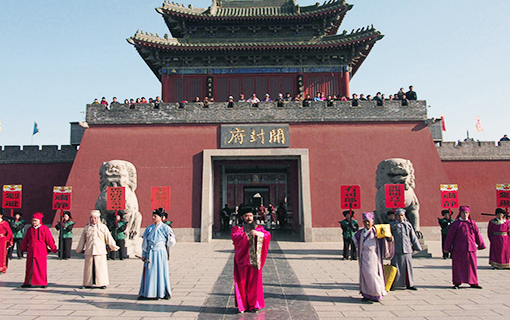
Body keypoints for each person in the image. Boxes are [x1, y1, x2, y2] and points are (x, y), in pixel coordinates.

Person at [231, 205, 271, 313]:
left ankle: (254, 305)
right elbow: (236, 237)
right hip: (242, 261)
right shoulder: (237, 229)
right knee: (242, 282)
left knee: (255, 283)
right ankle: (242, 305)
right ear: (242, 217)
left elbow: (267, 235)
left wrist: (258, 234)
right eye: (246, 216)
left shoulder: (258, 228)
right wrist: (249, 235)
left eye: (251, 216)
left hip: (254, 261)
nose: (249, 218)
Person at [353, 212, 393, 303]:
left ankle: (377, 293)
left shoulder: (377, 232)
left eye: (369, 221)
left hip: (374, 256)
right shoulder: (360, 233)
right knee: (365, 275)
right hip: (364, 256)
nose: (367, 223)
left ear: (372, 222)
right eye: (365, 221)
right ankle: (366, 294)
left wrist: (389, 238)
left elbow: (386, 239)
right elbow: (354, 241)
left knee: (373, 274)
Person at [138, 208, 176, 300]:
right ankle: (148, 293)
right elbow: (145, 243)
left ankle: (161, 292)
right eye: (153, 216)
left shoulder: (165, 228)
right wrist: (144, 253)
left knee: (160, 272)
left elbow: (171, 242)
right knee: (149, 273)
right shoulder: (149, 228)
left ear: (161, 217)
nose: (153, 217)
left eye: (155, 216)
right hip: (150, 253)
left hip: (160, 253)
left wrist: (170, 238)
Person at [443, 206, 485, 289]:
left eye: (466, 213)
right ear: (460, 213)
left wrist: (481, 244)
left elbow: (477, 234)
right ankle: (457, 282)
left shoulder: (472, 223)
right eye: (463, 213)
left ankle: (473, 282)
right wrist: (446, 248)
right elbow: (450, 237)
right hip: (459, 249)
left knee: (471, 266)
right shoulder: (456, 224)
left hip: (471, 249)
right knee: (458, 266)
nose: (465, 215)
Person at [76, 210, 119, 289]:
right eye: (92, 218)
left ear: (98, 218)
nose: (94, 219)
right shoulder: (87, 228)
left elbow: (108, 238)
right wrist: (79, 249)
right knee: (89, 269)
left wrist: (114, 246)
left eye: (95, 218)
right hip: (89, 250)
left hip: (100, 251)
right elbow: (82, 240)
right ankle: (88, 283)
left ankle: (102, 283)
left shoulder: (103, 227)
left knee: (100, 268)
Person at [20, 212, 57, 287]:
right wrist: (22, 248)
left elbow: (49, 239)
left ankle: (42, 282)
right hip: (31, 250)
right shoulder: (30, 229)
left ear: (40, 221)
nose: (33, 222)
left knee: (41, 268)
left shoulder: (44, 229)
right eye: (33, 220)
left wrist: (53, 248)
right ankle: (28, 282)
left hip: (41, 251)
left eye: (35, 220)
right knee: (29, 267)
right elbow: (26, 239)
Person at [390, 208, 422, 290]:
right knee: (395, 267)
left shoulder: (408, 225)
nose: (400, 217)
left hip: (407, 249)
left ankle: (410, 284)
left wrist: (417, 246)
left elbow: (413, 236)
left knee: (408, 267)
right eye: (398, 216)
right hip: (396, 249)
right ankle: (395, 284)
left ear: (404, 216)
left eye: (401, 216)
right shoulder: (392, 225)